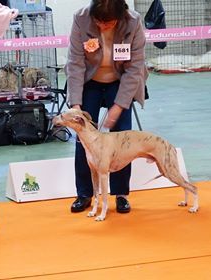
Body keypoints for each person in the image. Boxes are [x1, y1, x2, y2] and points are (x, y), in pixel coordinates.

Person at [65, 0, 148, 213]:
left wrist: (118, 107)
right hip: (89, 81)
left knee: (122, 137)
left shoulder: (133, 22)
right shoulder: (81, 18)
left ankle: (121, 194)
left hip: (120, 81)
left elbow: (135, 69)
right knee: (83, 135)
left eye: (108, 22)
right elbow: (75, 63)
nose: (103, 26)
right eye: (99, 22)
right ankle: (84, 194)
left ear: (120, 16)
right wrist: (76, 106)